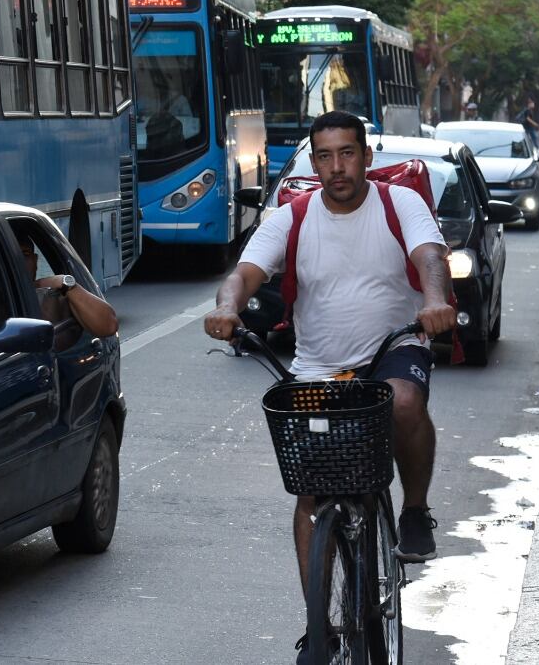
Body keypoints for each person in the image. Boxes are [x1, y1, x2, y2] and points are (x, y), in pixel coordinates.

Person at [201, 110, 455, 664]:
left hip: (395, 345)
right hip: (319, 365)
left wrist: (435, 301)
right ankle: (319, 626)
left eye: (346, 153)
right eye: (324, 156)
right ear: (312, 162)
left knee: (406, 402)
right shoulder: (292, 216)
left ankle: (413, 509)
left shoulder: (398, 204)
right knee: (311, 491)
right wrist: (227, 308)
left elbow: (430, 257)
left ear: (366, 156)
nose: (336, 167)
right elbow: (245, 273)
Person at [16, 233, 119, 338]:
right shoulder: (0, 302)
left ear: (35, 260)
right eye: (13, 257)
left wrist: (66, 283)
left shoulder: (54, 295)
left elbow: (109, 326)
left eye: (25, 254)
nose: (20, 262)